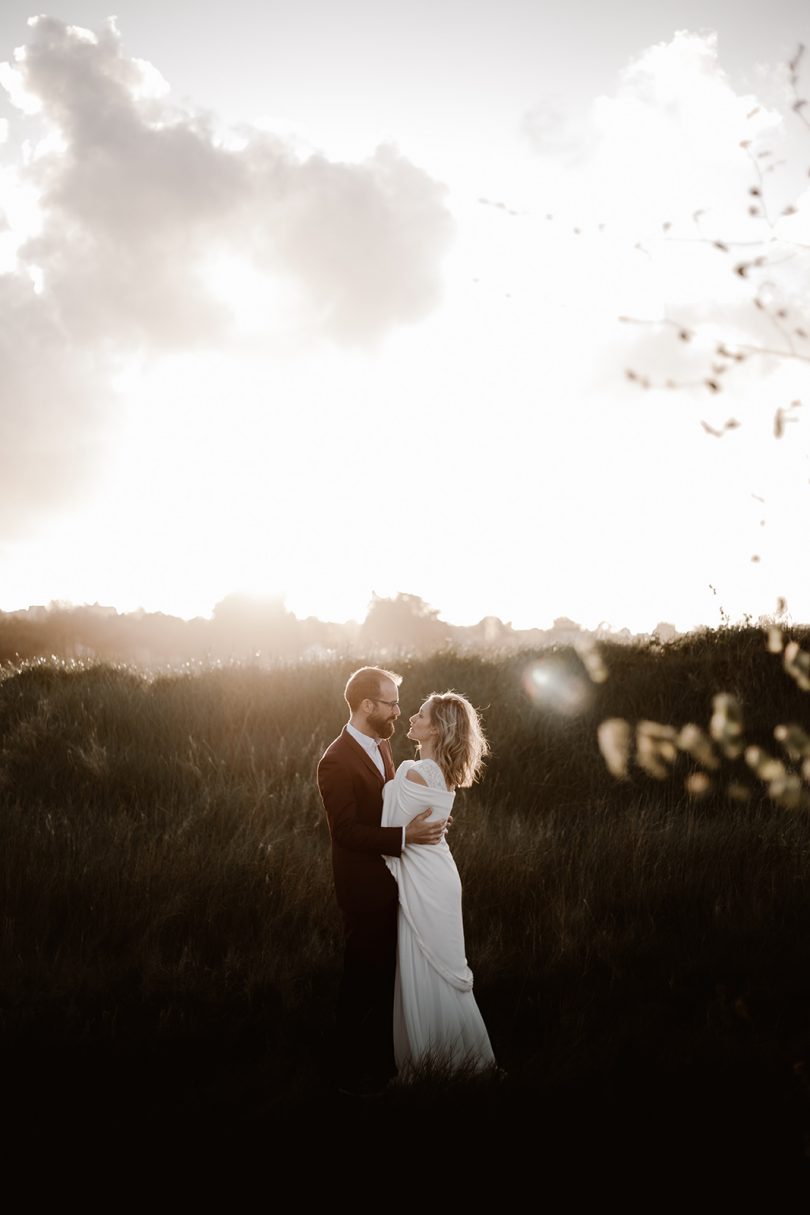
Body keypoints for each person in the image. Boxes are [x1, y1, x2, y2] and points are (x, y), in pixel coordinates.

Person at [316, 666, 449, 1095]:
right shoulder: (335, 760)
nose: (397, 710)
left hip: (396, 881)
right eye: (390, 703)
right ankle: (344, 1072)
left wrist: (422, 821)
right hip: (363, 888)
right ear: (367, 705)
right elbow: (346, 832)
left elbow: (392, 805)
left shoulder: (385, 745)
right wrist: (406, 837)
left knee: (392, 976)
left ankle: (383, 1059)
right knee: (362, 976)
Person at [382, 691, 496, 1077]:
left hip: (424, 878)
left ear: (437, 728)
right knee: (438, 964)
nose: (412, 717)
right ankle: (459, 1058)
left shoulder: (414, 771)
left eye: (421, 715)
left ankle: (434, 1061)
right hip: (437, 873)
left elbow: (386, 829)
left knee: (424, 961)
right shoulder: (438, 773)